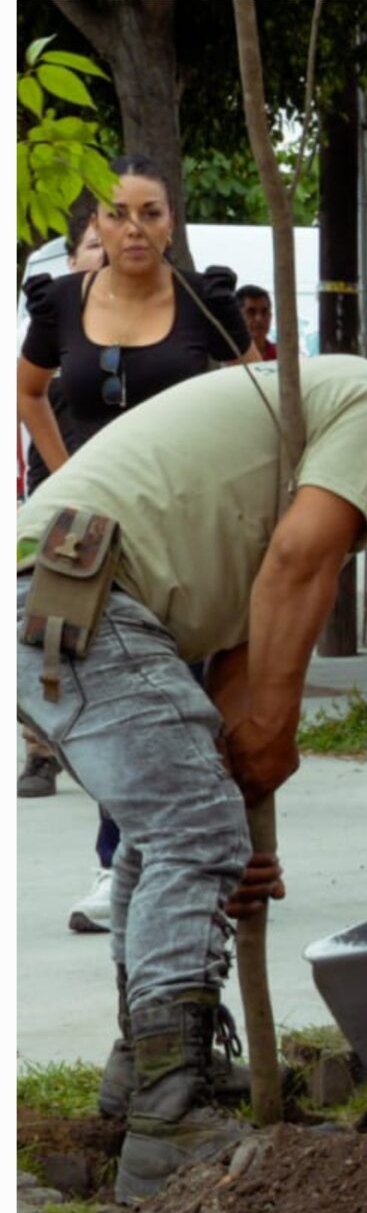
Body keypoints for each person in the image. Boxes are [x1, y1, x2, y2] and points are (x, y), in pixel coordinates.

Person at [16, 354, 367, 1201]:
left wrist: (239, 798)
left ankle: (144, 1077)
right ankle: (172, 1117)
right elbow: (295, 567)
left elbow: (251, 638)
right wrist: (272, 741)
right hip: (81, 585)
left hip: (76, 582)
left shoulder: (325, 450)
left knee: (180, 828)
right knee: (190, 831)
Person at [15, 157, 254, 941]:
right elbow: (28, 387)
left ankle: (191, 861)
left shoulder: (202, 302)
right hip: (83, 533)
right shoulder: (60, 303)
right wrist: (65, 464)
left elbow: (256, 396)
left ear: (171, 224)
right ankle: (118, 858)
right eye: (118, 215)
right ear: (98, 227)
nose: (134, 230)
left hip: (183, 532)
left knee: (180, 695)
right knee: (107, 702)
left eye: (150, 214)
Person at [17, 196, 106, 800]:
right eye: (95, 244)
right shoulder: (54, 320)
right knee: (43, 627)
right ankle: (39, 751)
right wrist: (71, 477)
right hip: (60, 487)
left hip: (127, 494)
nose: (109, 253)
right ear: (73, 257)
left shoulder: (154, 323)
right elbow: (30, 397)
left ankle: (102, 744)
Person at [234, 284, 282, 362]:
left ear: (270, 316)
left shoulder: (283, 357)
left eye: (264, 312)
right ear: (237, 317)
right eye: (251, 312)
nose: (259, 319)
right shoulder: (229, 358)